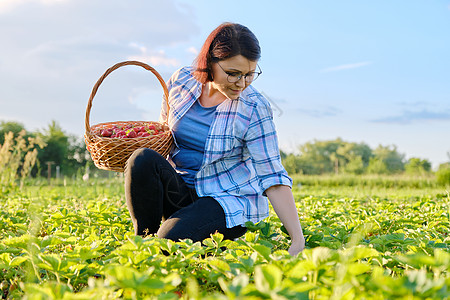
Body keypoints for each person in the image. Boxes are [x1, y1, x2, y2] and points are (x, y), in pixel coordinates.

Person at [124, 22, 305, 256]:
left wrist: (297, 240)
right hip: (183, 191)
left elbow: (272, 175)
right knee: (142, 158)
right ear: (210, 62)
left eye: (250, 74)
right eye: (233, 74)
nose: (242, 83)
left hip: (227, 200)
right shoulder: (181, 81)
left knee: (169, 242)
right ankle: (143, 242)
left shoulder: (253, 107)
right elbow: (163, 138)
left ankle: (182, 234)